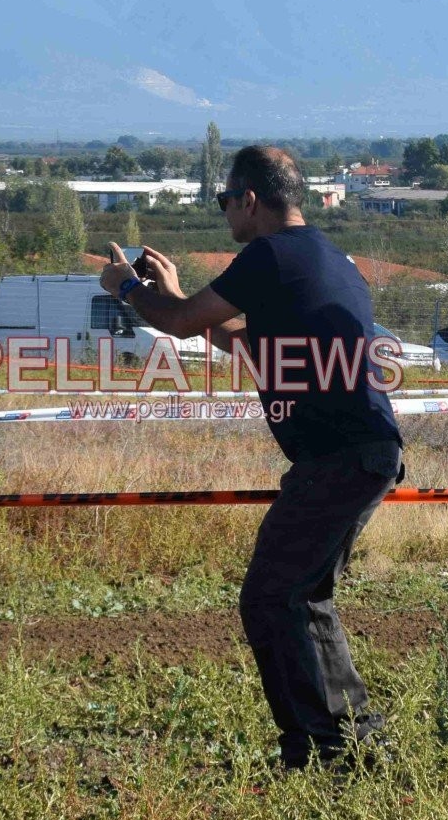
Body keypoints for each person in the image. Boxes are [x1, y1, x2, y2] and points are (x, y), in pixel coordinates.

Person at [99, 146, 401, 771]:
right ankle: (349, 744)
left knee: (272, 598)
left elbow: (179, 324)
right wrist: (179, 296)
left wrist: (129, 286)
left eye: (224, 201)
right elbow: (248, 345)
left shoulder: (267, 255)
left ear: (249, 200)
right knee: (302, 595)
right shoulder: (323, 256)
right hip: (361, 451)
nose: (224, 214)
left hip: (338, 456)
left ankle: (317, 748)